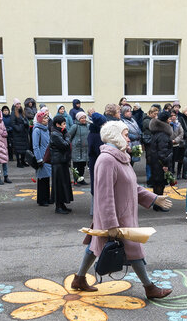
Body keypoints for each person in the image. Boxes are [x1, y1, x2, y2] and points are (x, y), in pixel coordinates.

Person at [70, 120, 173, 299]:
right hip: (116, 217)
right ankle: (150, 288)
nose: (129, 138)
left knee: (95, 246)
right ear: (115, 136)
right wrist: (111, 224)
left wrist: (154, 198)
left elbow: (132, 187)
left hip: (122, 215)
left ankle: (79, 279)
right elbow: (104, 195)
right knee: (134, 250)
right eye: (125, 134)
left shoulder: (120, 157)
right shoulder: (107, 160)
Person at [147, 109, 174, 210]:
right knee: (160, 184)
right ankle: (158, 205)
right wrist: (165, 164)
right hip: (160, 163)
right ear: (166, 121)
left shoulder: (157, 132)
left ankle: (156, 204)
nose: (171, 120)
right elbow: (163, 152)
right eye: (169, 118)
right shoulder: (163, 135)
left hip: (155, 162)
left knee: (157, 183)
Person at [49, 114, 74, 214]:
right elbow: (64, 145)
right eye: (63, 124)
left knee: (64, 183)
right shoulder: (55, 134)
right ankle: (58, 206)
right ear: (57, 124)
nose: (65, 126)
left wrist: (66, 135)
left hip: (62, 161)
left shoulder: (60, 132)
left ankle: (62, 204)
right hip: (57, 162)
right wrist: (68, 137)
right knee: (58, 184)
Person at [32, 109, 52, 206]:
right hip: (41, 158)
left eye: (47, 117)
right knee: (42, 179)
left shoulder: (46, 129)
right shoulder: (37, 130)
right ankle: (41, 199)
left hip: (47, 157)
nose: (46, 119)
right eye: (44, 118)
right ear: (39, 119)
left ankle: (47, 197)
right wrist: (39, 159)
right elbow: (35, 146)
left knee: (47, 178)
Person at [69, 111, 90, 185]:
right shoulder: (75, 126)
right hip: (77, 149)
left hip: (85, 150)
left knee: (82, 165)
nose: (84, 119)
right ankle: (76, 180)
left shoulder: (88, 126)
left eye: (84, 117)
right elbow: (69, 136)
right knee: (76, 166)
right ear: (78, 119)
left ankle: (81, 179)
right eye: (82, 118)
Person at [10, 101, 30, 168]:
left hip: (24, 133)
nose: (19, 105)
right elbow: (13, 123)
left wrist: (27, 124)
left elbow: (26, 120)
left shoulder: (22, 112)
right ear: (15, 105)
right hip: (17, 134)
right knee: (18, 149)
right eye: (17, 104)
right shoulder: (13, 113)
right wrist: (19, 128)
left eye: (19, 104)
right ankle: (18, 162)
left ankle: (23, 161)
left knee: (24, 148)